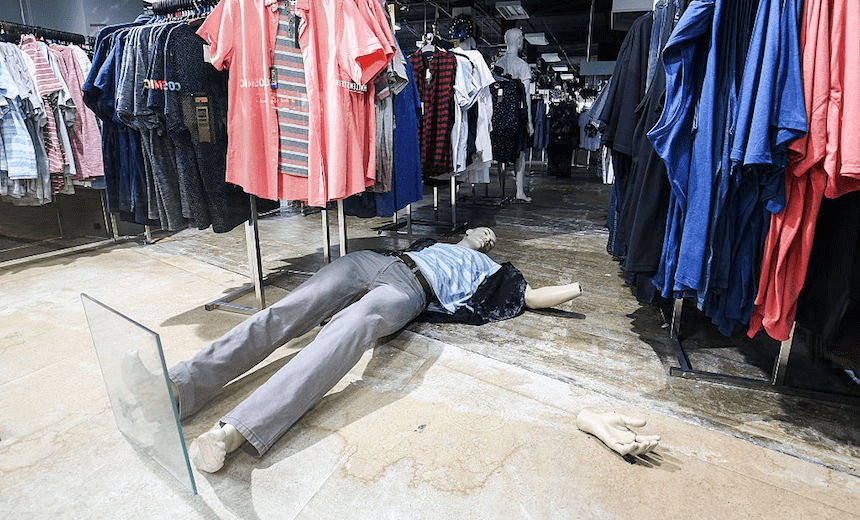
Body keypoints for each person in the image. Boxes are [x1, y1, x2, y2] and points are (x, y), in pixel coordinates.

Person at [163, 227, 655, 472]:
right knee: (290, 309)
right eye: (477, 231)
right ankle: (186, 383)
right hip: (376, 264)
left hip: (408, 292)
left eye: (487, 236)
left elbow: (533, 299)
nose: (482, 235)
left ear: (490, 247)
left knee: (344, 334)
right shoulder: (433, 241)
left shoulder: (493, 275)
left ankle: (235, 430)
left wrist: (575, 287)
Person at [495, 28, 534, 202]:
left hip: (500, 115)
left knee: (501, 152)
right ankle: (519, 191)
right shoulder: (523, 66)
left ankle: (501, 189)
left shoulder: (498, 64)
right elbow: (526, 97)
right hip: (517, 116)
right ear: (518, 40)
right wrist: (530, 121)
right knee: (520, 154)